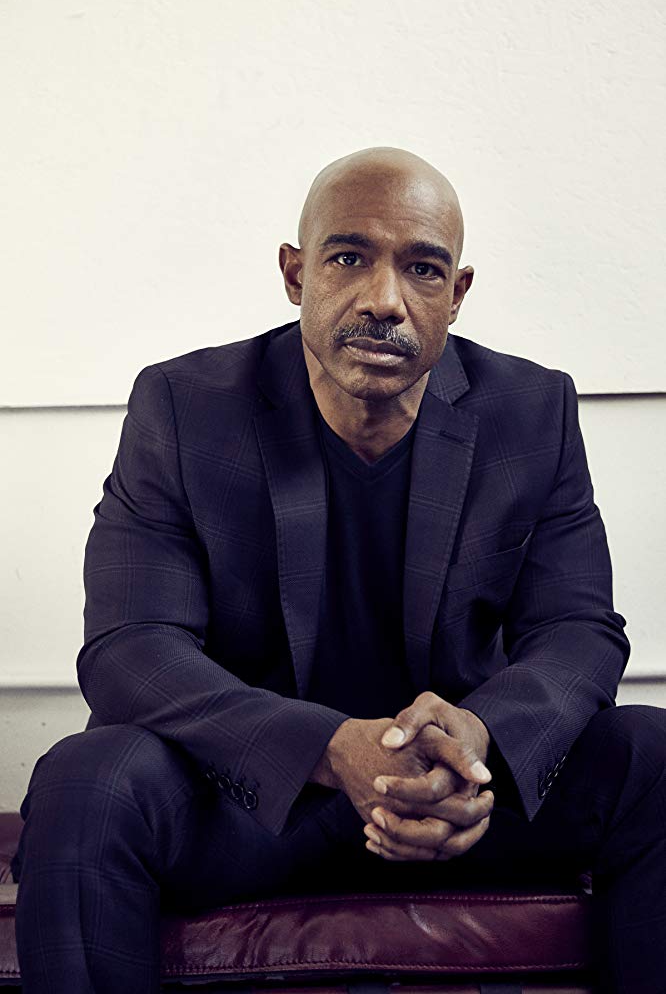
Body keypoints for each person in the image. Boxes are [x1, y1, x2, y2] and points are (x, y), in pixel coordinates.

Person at [12, 147, 665, 993]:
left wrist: (480, 740)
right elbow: (131, 648)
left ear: (457, 293)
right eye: (349, 257)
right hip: (253, 804)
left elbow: (578, 631)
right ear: (296, 274)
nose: (383, 300)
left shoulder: (532, 411)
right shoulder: (184, 406)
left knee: (652, 755)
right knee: (86, 781)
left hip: (462, 802)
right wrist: (327, 748)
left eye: (422, 269)